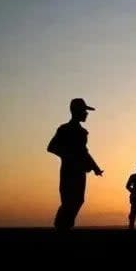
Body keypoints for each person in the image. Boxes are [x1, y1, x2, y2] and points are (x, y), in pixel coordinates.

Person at [47, 98, 103, 231]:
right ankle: (61, 227)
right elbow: (52, 147)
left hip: (80, 172)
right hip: (69, 171)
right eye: (84, 111)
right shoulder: (64, 129)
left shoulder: (82, 132)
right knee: (68, 201)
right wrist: (69, 157)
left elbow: (84, 152)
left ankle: (64, 227)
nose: (86, 114)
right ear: (76, 111)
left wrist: (95, 168)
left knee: (78, 200)